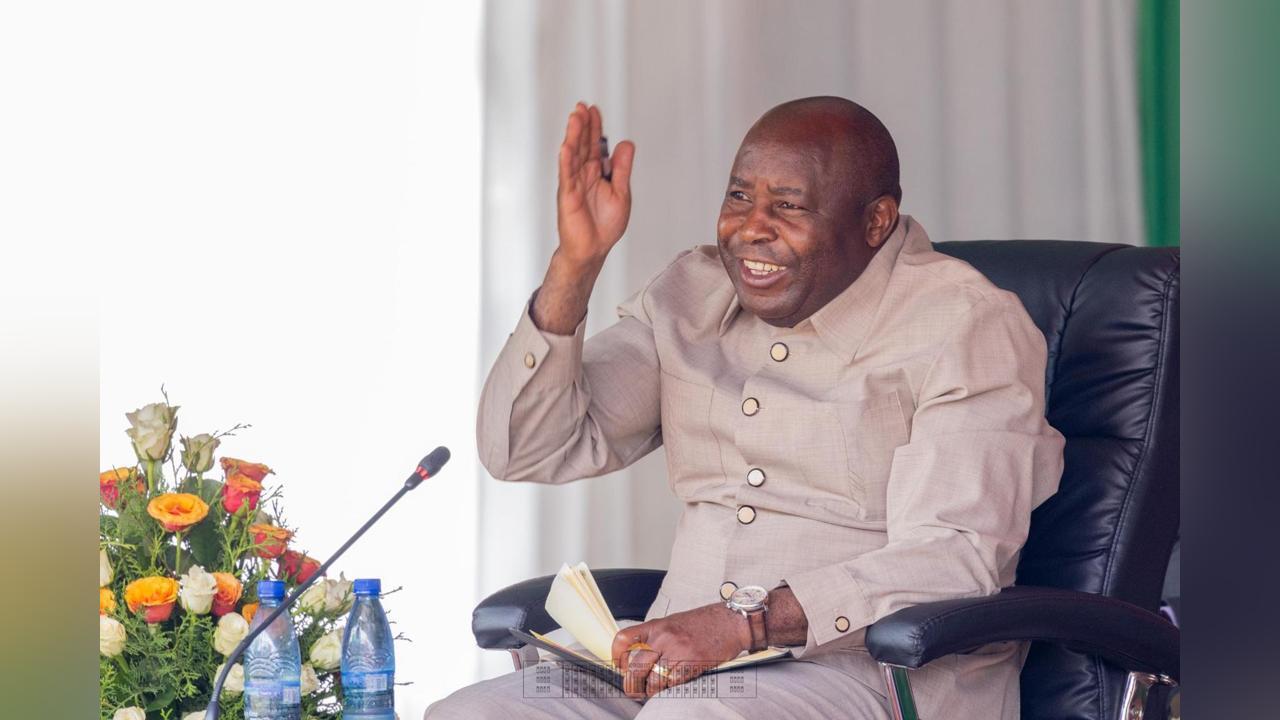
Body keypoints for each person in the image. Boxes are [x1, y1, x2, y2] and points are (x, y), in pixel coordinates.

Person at [426, 96, 1064, 719]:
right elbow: (525, 448)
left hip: (867, 674)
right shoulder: (693, 292)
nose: (751, 228)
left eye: (788, 205)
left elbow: (954, 555)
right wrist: (576, 265)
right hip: (668, 668)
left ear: (876, 221)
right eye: (739, 197)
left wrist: (744, 624)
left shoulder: (965, 325)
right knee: (469, 713)